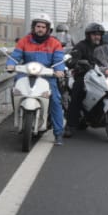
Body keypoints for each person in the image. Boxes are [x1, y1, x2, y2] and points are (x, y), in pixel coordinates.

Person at [7, 14, 68, 144]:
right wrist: (10, 64)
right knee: (16, 91)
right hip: (26, 74)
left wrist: (59, 70)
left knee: (56, 100)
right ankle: (19, 116)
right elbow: (15, 55)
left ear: (48, 29)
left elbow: (59, 60)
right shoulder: (24, 41)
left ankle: (58, 133)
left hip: (47, 75)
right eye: (38, 26)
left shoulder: (55, 43)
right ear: (33, 27)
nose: (40, 29)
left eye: (43, 27)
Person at [64, 22, 108, 134]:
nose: (97, 36)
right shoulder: (81, 45)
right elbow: (72, 58)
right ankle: (70, 125)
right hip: (84, 76)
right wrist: (76, 62)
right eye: (94, 34)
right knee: (78, 92)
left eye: (99, 34)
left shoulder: (106, 46)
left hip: (103, 75)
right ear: (88, 35)